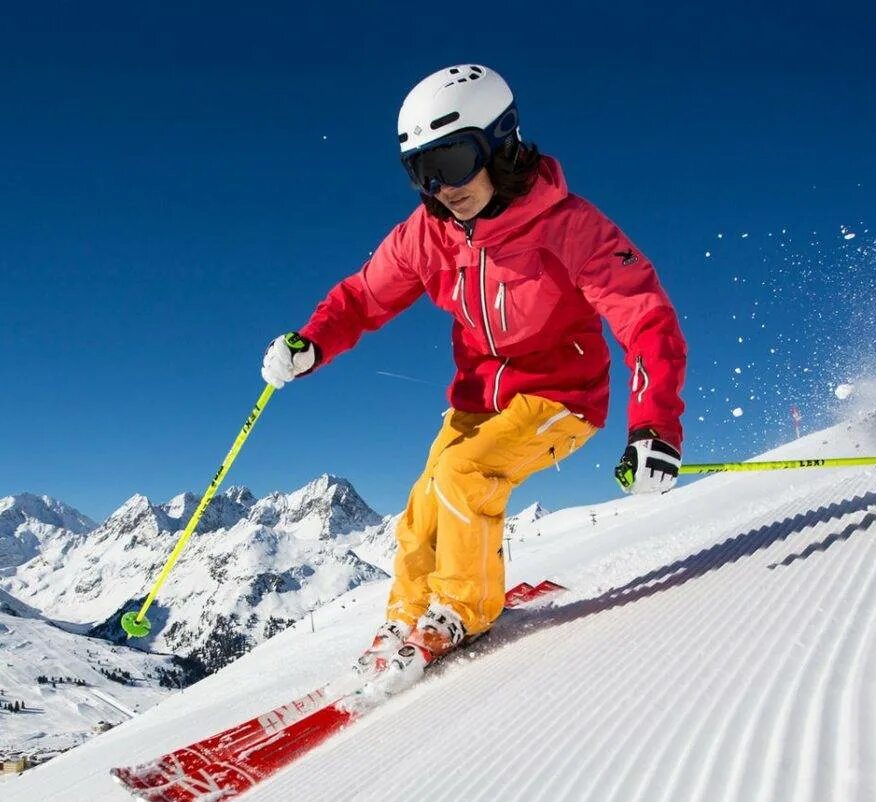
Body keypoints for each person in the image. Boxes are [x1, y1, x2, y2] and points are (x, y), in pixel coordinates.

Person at [261, 64, 688, 688]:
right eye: (421, 172)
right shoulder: (428, 235)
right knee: (424, 502)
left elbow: (644, 316)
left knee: (465, 474)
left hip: (560, 398)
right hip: (477, 403)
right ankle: (407, 620)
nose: (441, 186)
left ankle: (463, 610)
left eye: (454, 161)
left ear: (502, 141)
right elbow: (363, 297)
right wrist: (312, 343)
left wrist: (654, 425)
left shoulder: (571, 228)